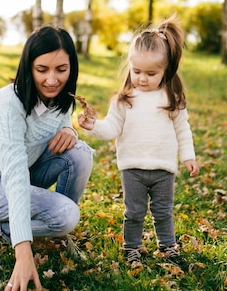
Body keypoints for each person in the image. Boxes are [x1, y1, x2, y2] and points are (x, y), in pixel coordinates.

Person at [0, 26, 93, 291]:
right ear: (28, 66)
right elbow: (15, 176)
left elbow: (58, 122)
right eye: (42, 69)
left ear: (71, 68)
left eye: (61, 69)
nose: (52, 80)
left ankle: (56, 233)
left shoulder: (59, 99)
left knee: (80, 152)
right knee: (67, 215)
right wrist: (23, 251)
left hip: (24, 174)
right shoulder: (9, 104)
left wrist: (70, 130)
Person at [77, 14, 199, 268]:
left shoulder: (171, 98)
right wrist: (93, 126)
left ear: (165, 71)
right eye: (137, 71)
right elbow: (112, 128)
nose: (142, 78)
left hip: (163, 167)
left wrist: (188, 156)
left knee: (163, 212)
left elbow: (182, 129)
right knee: (134, 212)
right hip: (132, 167)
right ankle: (132, 247)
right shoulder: (124, 100)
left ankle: (167, 247)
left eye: (151, 73)